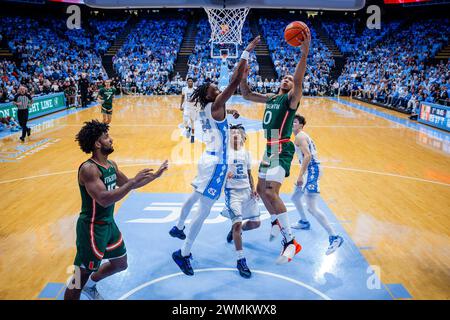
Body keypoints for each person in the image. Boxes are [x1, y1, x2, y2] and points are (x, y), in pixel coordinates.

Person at [171, 36, 260, 276]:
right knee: (204, 211)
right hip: (215, 163)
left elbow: (226, 96)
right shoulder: (215, 104)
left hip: (213, 160)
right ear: (211, 96)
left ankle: (180, 234)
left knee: (200, 204)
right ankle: (183, 252)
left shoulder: (208, 107)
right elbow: (233, 83)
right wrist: (245, 53)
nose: (218, 89)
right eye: (214, 89)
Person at [64, 120, 168, 300]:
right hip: (92, 228)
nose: (111, 140)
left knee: (120, 263)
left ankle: (90, 286)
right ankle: (84, 285)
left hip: (108, 224)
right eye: (106, 137)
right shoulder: (89, 169)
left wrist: (156, 175)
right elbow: (104, 199)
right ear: (97, 144)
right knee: (79, 277)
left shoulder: (110, 164)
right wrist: (132, 182)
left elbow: (128, 184)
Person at [240, 29, 310, 264]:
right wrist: (244, 71)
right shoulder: (272, 98)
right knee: (260, 191)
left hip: (281, 147)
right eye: (285, 77)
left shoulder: (291, 100)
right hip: (269, 146)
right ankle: (275, 221)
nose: (287, 79)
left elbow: (299, 80)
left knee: (271, 192)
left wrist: (304, 52)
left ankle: (291, 242)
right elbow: (246, 93)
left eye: (290, 79)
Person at [290, 115, 344, 255]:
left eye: (295, 122)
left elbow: (307, 156)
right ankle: (304, 222)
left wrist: (301, 175)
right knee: (295, 197)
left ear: (301, 125)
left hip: (312, 171)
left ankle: (334, 237)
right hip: (309, 170)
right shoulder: (300, 136)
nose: (292, 124)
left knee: (312, 208)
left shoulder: (300, 136)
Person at [220, 124, 260, 278]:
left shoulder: (246, 153)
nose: (235, 135)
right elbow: (218, 171)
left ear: (243, 138)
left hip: (247, 192)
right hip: (233, 193)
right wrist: (225, 176)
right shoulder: (225, 153)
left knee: (256, 224)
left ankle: (236, 231)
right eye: (232, 133)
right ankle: (240, 260)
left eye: (238, 133)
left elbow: (249, 173)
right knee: (237, 224)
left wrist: (253, 187)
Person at [180, 77, 197, 143]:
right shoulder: (184, 89)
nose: (190, 82)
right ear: (187, 82)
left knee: (192, 122)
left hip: (193, 108)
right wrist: (181, 105)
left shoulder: (195, 89)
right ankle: (188, 128)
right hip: (186, 107)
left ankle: (192, 136)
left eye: (191, 81)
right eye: (189, 81)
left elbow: (198, 98)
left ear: (193, 82)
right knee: (185, 122)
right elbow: (182, 97)